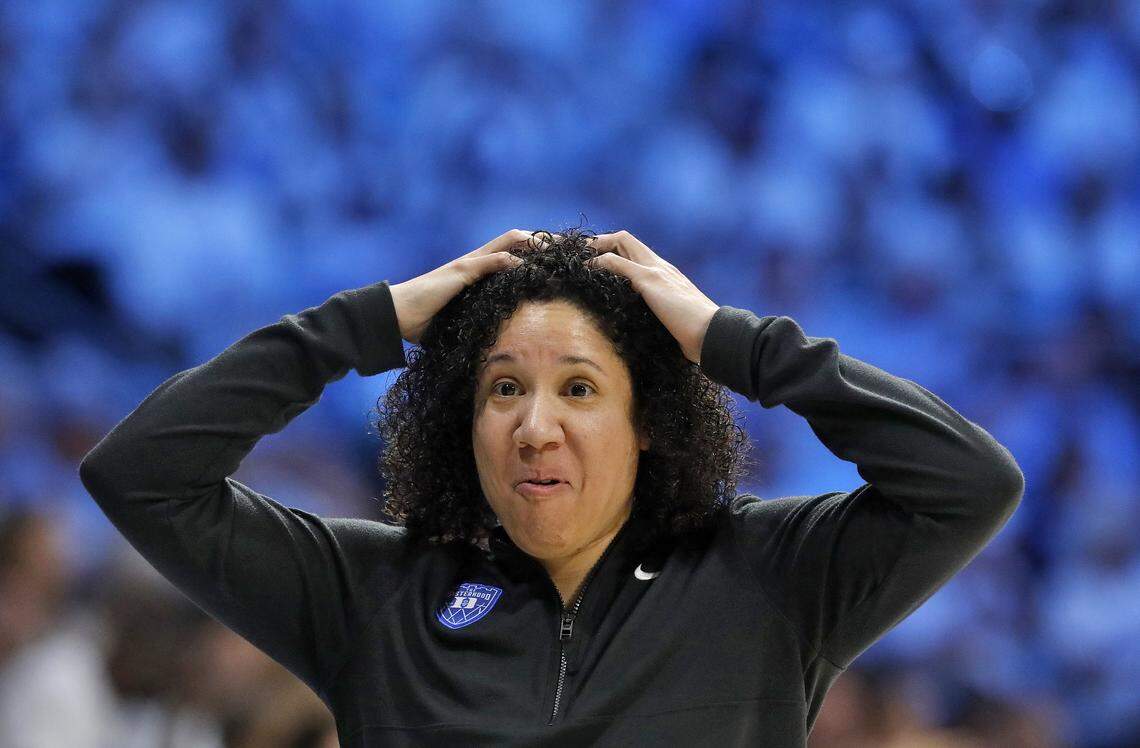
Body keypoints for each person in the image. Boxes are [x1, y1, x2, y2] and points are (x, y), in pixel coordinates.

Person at [79, 228, 1025, 747]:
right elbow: (142, 474)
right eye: (502, 389)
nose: (536, 425)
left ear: (648, 420)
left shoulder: (769, 579)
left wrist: (730, 343)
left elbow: (968, 483)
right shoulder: (372, 594)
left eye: (579, 388)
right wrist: (366, 324)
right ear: (465, 422)